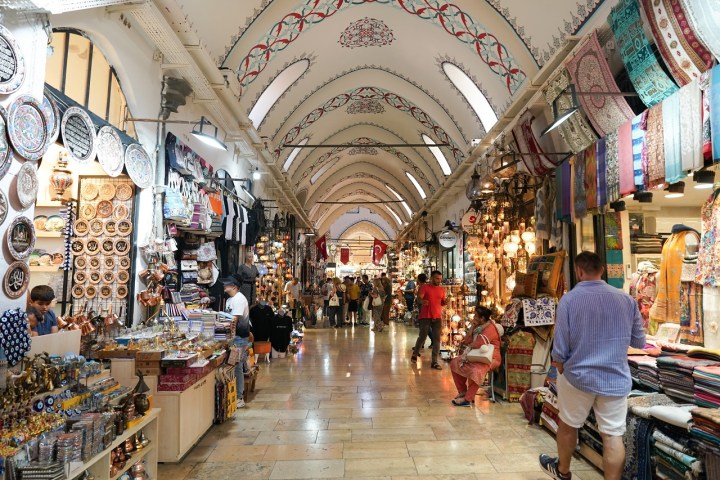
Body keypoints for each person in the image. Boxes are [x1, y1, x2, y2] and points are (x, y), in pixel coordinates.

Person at [539, 252, 646, 480]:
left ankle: (563, 472)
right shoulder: (626, 300)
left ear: (578, 271)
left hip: (578, 376)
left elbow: (560, 344)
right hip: (615, 377)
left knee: (569, 425)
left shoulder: (569, 300)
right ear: (602, 271)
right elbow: (639, 341)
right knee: (613, 435)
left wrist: (558, 363)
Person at [449, 306, 502, 406]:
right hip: (476, 355)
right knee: (454, 362)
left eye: (476, 316)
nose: (474, 317)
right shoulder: (478, 327)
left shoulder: (490, 328)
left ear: (482, 318)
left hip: (490, 358)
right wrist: (472, 327)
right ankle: (463, 392)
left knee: (476, 370)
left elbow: (479, 344)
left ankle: (467, 399)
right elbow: (467, 340)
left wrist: (469, 346)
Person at [222, 276, 251, 408]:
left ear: (234, 286)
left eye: (226, 284)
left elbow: (234, 319)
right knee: (232, 364)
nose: (224, 286)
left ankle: (239, 396)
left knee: (237, 365)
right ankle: (233, 395)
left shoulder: (239, 299)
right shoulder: (229, 300)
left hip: (239, 338)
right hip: (232, 337)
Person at [411, 270, 446, 370]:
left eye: (440, 279)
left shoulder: (441, 290)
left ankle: (434, 361)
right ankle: (415, 352)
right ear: (431, 278)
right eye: (436, 278)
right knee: (422, 337)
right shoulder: (424, 287)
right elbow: (418, 299)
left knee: (437, 340)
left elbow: (442, 302)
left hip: (437, 316)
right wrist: (422, 301)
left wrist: (445, 302)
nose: (438, 280)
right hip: (425, 316)